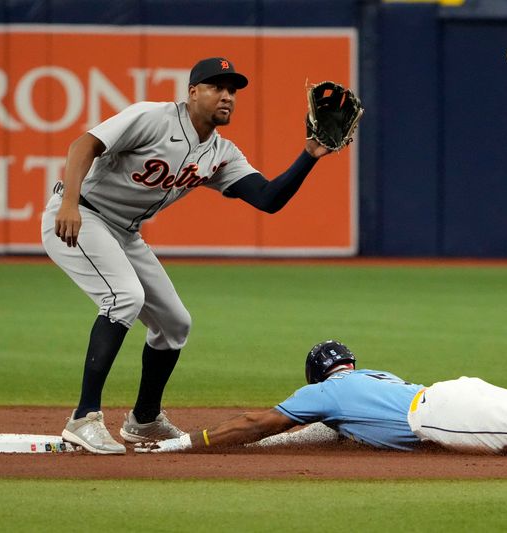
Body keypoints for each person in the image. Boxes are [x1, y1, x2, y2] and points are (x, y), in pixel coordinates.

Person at [41, 57, 339, 454]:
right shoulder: (153, 117)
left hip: (125, 233)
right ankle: (84, 418)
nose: (227, 96)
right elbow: (85, 145)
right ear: (193, 92)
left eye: (232, 90)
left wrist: (309, 155)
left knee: (175, 324)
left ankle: (144, 420)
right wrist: (70, 204)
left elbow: (268, 199)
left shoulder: (220, 153)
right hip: (83, 216)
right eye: (217, 87)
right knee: (124, 297)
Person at [137, 340, 507, 460]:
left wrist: (193, 441)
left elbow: (259, 423)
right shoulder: (372, 378)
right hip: (451, 389)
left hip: (439, 414)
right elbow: (322, 431)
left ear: (316, 377)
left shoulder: (324, 392)